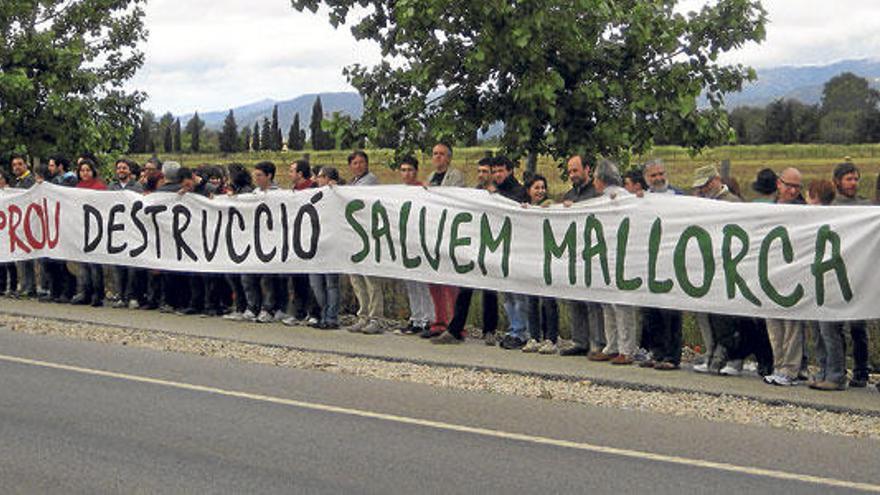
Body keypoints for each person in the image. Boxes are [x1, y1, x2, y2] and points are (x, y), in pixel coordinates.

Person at [812, 162, 870, 390]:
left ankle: (861, 371)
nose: (853, 183)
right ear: (837, 181)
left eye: (856, 179)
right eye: (849, 179)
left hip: (859, 275)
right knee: (829, 327)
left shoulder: (866, 207)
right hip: (834, 274)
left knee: (858, 328)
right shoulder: (831, 206)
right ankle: (832, 371)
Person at [438, 156, 499, 345]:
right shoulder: (475, 192)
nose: (481, 175)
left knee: (490, 291)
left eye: (485, 171)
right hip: (474, 244)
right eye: (479, 171)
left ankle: (489, 330)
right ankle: (455, 328)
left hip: (491, 245)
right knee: (465, 287)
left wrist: (495, 195)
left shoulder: (499, 193)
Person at [691, 165, 746, 375]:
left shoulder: (732, 202)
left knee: (725, 315)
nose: (703, 189)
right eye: (700, 187)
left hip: (726, 265)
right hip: (705, 264)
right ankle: (710, 349)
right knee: (704, 312)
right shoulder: (701, 203)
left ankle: (730, 355)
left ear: (715, 180)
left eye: (706, 185)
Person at [587, 160, 640, 365]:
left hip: (622, 256)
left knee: (621, 304)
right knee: (607, 302)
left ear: (600, 180)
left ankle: (626, 349)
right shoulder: (603, 199)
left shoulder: (621, 198)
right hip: (606, 256)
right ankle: (612, 345)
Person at [763, 168, 807, 387]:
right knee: (774, 325)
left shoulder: (804, 211)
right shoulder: (767, 208)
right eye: (789, 185)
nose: (792, 190)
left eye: (797, 187)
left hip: (793, 276)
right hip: (770, 275)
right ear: (779, 184)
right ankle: (778, 365)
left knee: (792, 326)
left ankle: (791, 369)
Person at [559, 155, 605, 357]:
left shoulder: (596, 193)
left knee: (593, 300)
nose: (572, 175)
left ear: (587, 169)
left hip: (594, 252)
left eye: (575, 170)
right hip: (574, 252)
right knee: (574, 298)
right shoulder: (569, 194)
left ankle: (598, 341)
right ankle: (580, 340)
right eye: (569, 171)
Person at [422, 143, 465, 338]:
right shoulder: (430, 178)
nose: (437, 157)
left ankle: (455, 323)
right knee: (434, 280)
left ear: (449, 158)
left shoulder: (455, 176)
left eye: (441, 154)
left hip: (449, 232)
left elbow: (451, 197)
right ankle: (438, 321)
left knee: (450, 281)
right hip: (433, 231)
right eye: (435, 154)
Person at [291, 166, 342, 329]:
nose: (316, 179)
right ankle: (323, 313)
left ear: (328, 179)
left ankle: (331, 317)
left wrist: (336, 189)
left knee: (331, 284)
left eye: (320, 177)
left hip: (332, 245)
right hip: (314, 246)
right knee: (316, 284)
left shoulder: (338, 193)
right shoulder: (313, 193)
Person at [488, 155, 531, 350]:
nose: (497, 175)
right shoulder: (494, 192)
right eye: (494, 171)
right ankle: (513, 328)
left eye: (500, 171)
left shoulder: (519, 192)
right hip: (501, 248)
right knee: (507, 295)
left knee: (519, 294)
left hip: (518, 249)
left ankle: (522, 331)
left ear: (510, 171)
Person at [343, 151, 387, 335]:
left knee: (371, 278)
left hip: (368, 235)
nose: (359, 166)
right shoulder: (353, 182)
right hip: (354, 235)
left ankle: (376, 317)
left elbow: (354, 196)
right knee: (356, 277)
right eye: (355, 163)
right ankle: (363, 315)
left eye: (362, 162)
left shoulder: (370, 181)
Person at [519, 175, 560, 354]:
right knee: (531, 301)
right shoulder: (523, 209)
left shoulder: (550, 206)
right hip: (530, 260)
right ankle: (534, 336)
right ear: (528, 190)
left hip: (548, 259)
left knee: (549, 301)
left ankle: (551, 337)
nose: (541, 191)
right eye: (537, 188)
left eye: (543, 187)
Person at [250, 161, 289, 323]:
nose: (256, 178)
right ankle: (263, 307)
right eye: (255, 175)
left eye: (259, 175)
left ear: (269, 176)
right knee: (261, 277)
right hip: (258, 241)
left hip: (275, 241)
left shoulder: (279, 194)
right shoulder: (253, 193)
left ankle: (274, 308)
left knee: (275, 278)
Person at [108, 159, 146, 309]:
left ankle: (132, 296)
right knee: (118, 266)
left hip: (133, 229)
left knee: (132, 267)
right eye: (119, 168)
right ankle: (121, 295)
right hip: (116, 230)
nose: (121, 170)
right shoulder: (111, 187)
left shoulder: (137, 187)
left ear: (130, 171)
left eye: (124, 168)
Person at [287, 159, 321, 324]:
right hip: (297, 240)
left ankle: (314, 312)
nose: (289, 174)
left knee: (313, 281)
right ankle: (298, 311)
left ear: (300, 173)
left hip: (312, 240)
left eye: (292, 171)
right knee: (297, 279)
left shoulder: (314, 189)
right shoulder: (293, 191)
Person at [223, 164, 257, 321]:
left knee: (246, 278)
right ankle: (240, 306)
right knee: (233, 277)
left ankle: (252, 307)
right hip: (234, 240)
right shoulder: (233, 191)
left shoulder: (247, 192)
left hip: (247, 241)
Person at [71, 159, 107, 306]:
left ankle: (98, 293)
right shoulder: (77, 187)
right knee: (83, 264)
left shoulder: (99, 187)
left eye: (87, 170)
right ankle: (85, 291)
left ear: (93, 171)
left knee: (94, 263)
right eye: (82, 170)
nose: (85, 173)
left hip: (95, 229)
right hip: (81, 228)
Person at [10, 153, 37, 298]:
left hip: (29, 223)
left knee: (27, 257)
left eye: (19, 164)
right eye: (14, 165)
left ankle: (30, 286)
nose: (17, 167)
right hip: (19, 224)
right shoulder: (18, 182)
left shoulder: (29, 181)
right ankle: (25, 285)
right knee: (21, 257)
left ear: (26, 165)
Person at [0, 169, 16, 296]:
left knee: (10, 261)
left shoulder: (10, 193)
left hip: (9, 229)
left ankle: (13, 286)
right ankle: (2, 286)